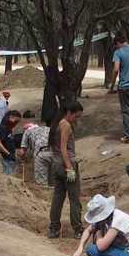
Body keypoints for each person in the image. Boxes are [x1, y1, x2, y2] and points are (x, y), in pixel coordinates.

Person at [48, 100, 84, 238]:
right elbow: (63, 148)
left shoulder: (56, 123)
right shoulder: (66, 125)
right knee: (74, 199)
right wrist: (69, 167)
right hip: (67, 165)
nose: (76, 120)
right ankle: (77, 229)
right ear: (69, 112)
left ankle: (54, 228)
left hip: (56, 165)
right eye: (76, 116)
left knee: (57, 198)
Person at [0, 110, 23, 175]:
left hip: (10, 157)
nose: (16, 123)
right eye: (16, 121)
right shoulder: (3, 128)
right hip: (7, 158)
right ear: (11, 117)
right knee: (7, 175)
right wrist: (8, 153)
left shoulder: (8, 127)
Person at [21, 121, 52, 187]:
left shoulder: (27, 131)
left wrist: (23, 158)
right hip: (55, 152)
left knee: (41, 181)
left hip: (41, 153)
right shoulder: (47, 128)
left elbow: (23, 151)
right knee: (54, 178)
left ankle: (43, 191)